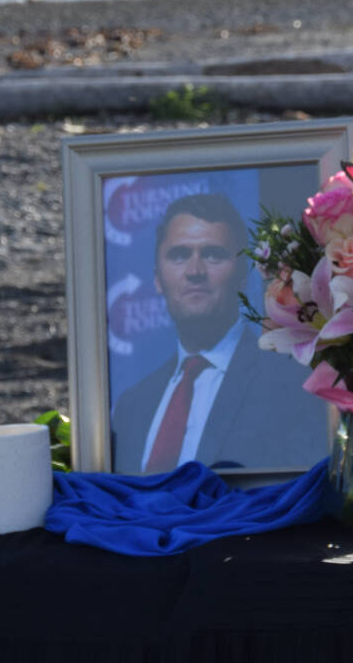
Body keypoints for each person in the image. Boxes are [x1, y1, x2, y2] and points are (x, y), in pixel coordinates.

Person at [111, 191, 327, 474]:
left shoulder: (292, 386)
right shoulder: (132, 407)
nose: (195, 270)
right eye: (179, 255)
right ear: (157, 279)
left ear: (242, 277)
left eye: (213, 255)